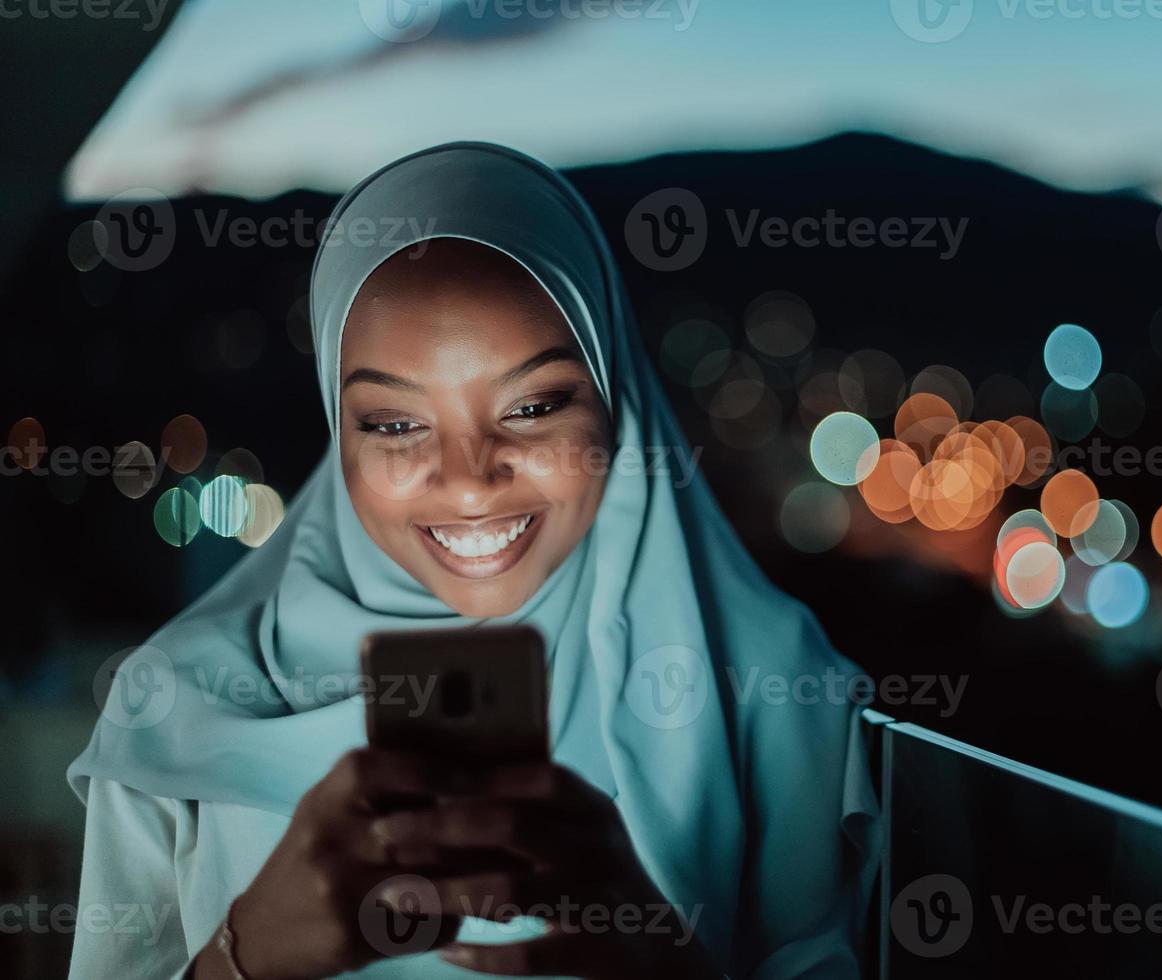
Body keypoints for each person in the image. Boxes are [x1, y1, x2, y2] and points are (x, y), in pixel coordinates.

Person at [66, 143, 879, 979]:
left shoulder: (772, 684)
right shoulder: (174, 702)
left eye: (532, 406)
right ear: (335, 434)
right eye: (393, 423)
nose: (467, 478)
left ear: (614, 398)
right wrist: (248, 955)